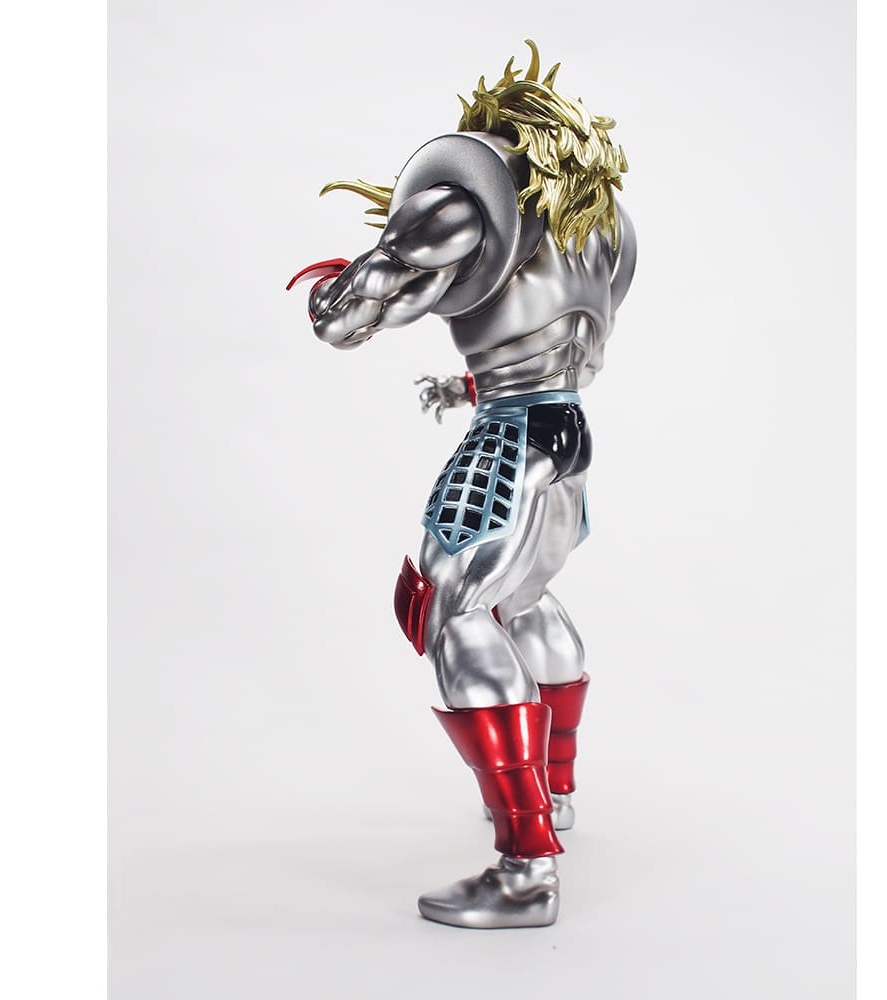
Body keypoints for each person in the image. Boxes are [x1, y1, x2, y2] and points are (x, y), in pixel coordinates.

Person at [289, 40, 636, 927]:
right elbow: (553, 350)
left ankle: (525, 869)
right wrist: (469, 384)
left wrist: (333, 293)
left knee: (446, 609)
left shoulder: (460, 209)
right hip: (566, 434)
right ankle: (552, 795)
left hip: (510, 441)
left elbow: (350, 317)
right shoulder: (602, 229)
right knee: (522, 600)